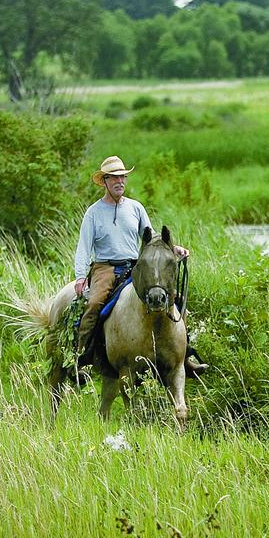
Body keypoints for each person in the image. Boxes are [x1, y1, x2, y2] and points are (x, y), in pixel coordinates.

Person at [74, 155, 207, 376]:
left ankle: (184, 356)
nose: (120, 181)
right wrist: (80, 277)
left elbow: (153, 238)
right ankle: (82, 358)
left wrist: (174, 249)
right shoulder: (93, 213)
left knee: (174, 299)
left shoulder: (135, 208)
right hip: (104, 268)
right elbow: (83, 247)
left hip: (135, 267)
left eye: (123, 177)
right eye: (114, 178)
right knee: (95, 304)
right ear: (104, 181)